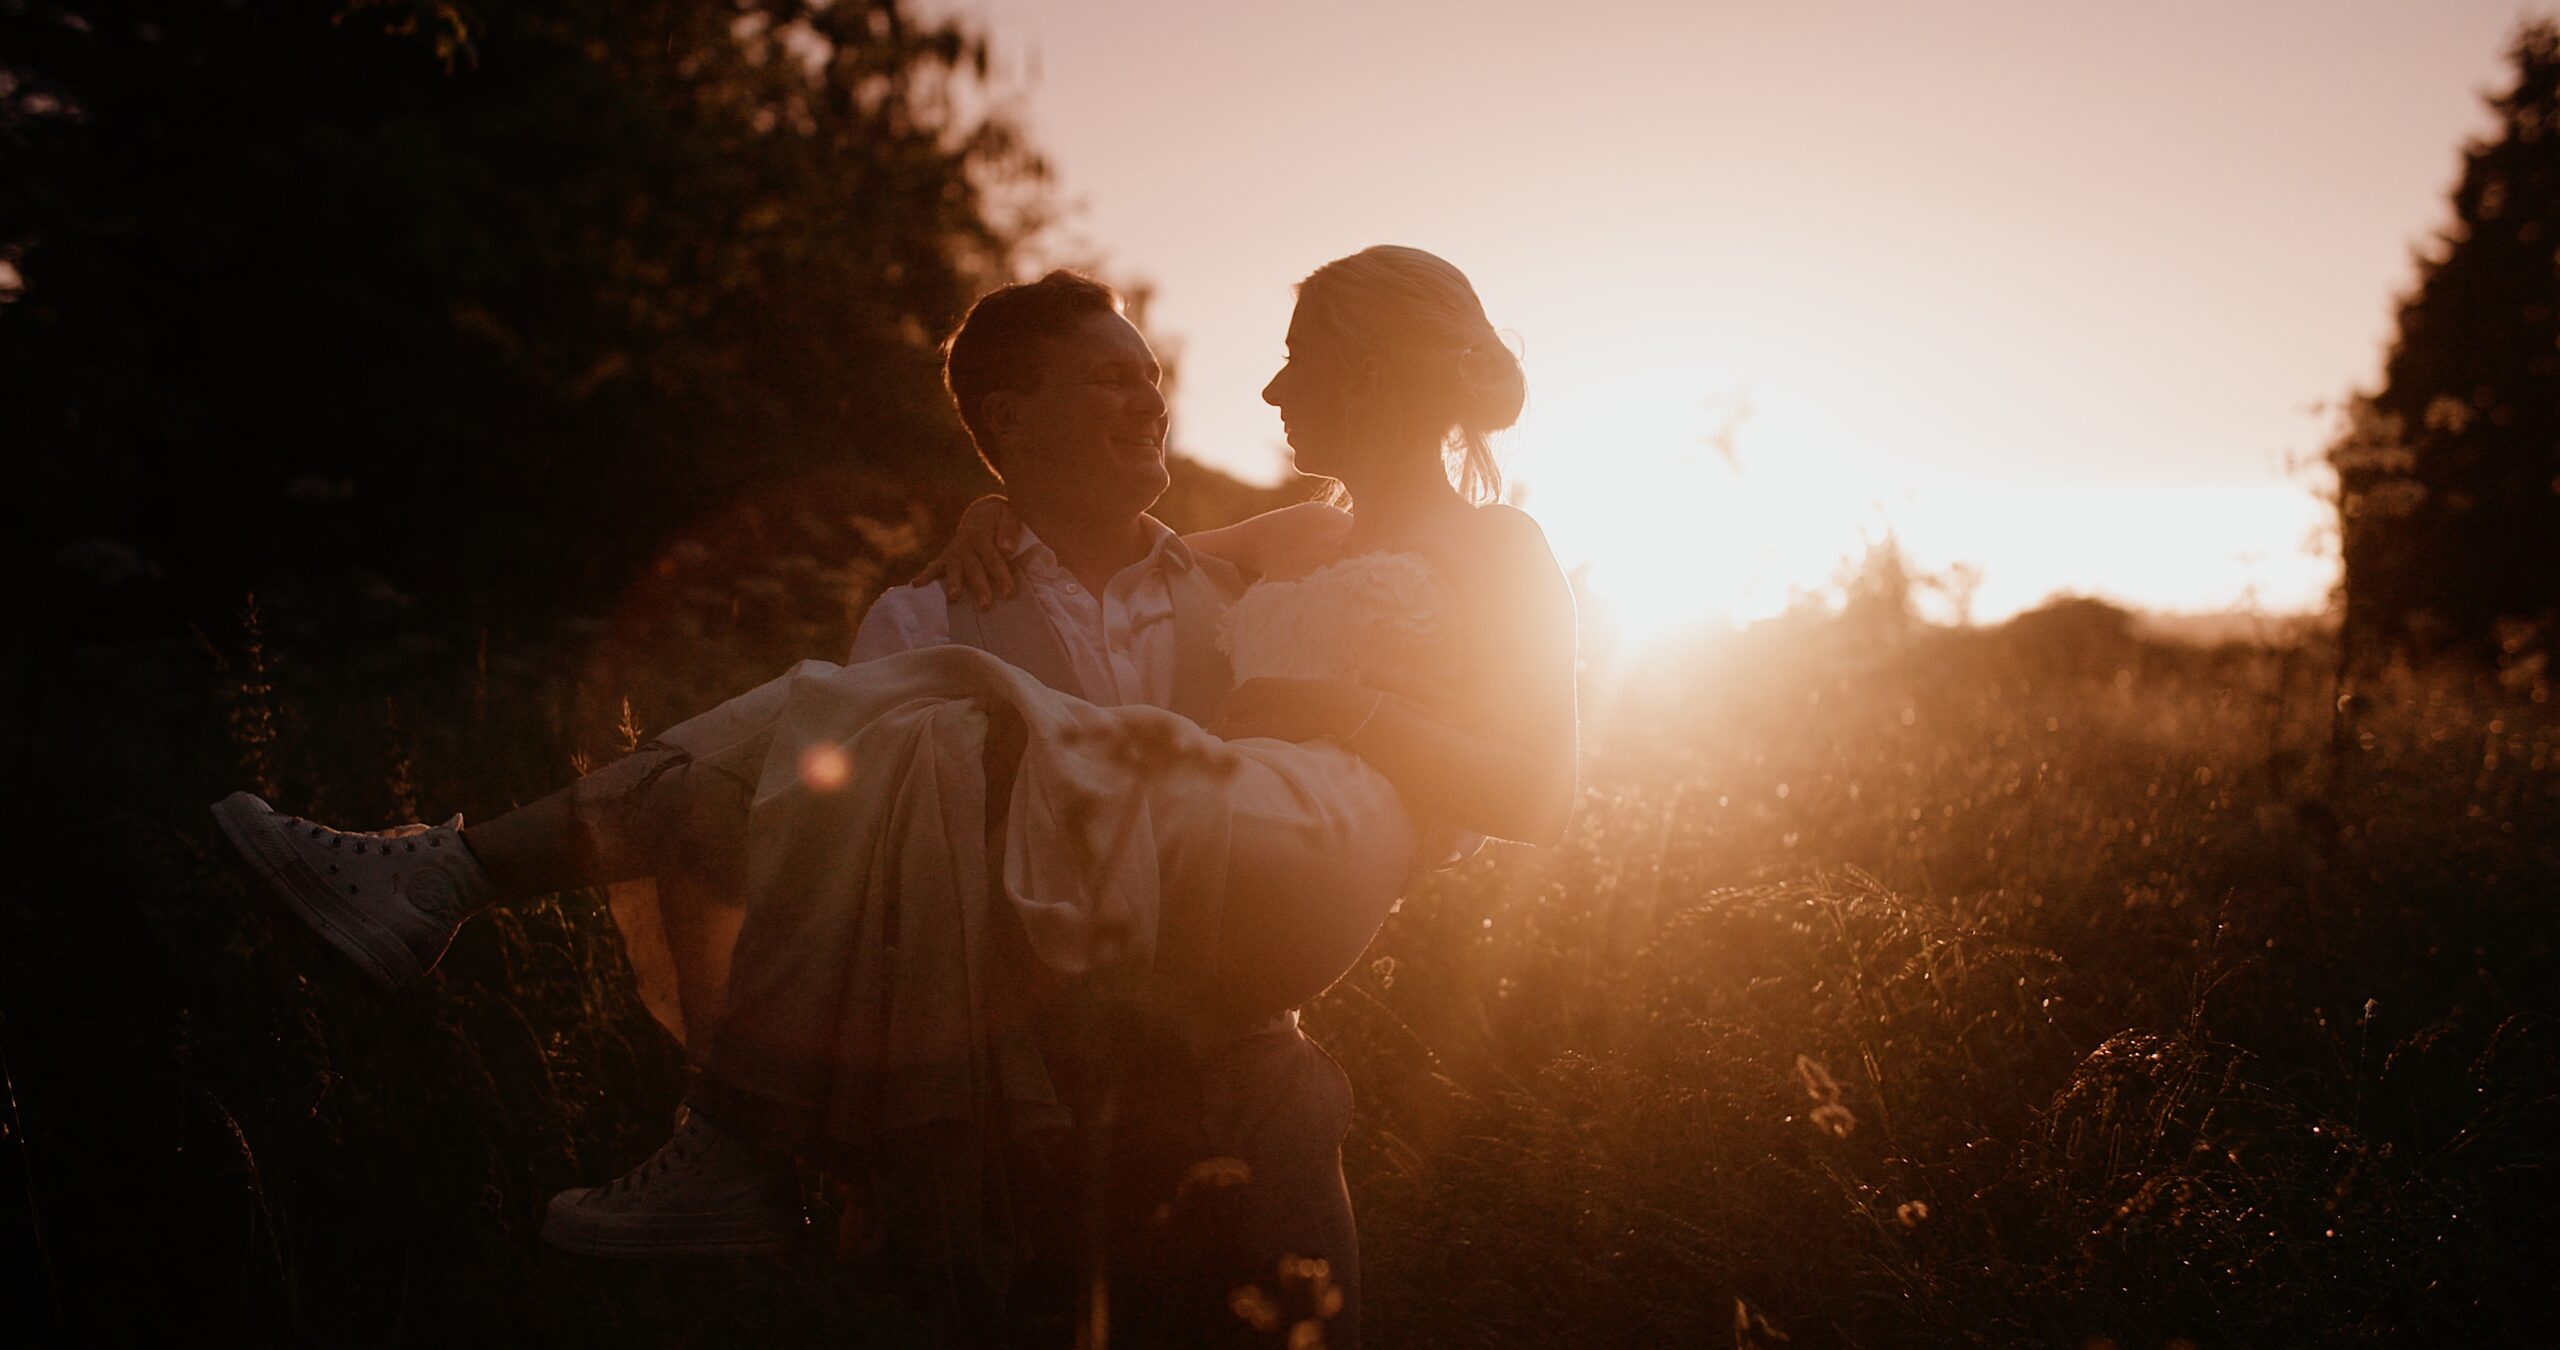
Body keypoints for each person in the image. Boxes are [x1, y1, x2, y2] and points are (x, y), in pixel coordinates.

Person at [212, 246, 1578, 1345]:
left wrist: (1352, 709)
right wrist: (994, 514)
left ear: (1379, 365)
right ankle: (461, 898)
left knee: (919, 704)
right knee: (895, 710)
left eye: (1300, 361)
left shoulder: (1501, 544)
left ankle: (509, 930)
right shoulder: (1299, 539)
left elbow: (1542, 787)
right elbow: (1108, 544)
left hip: (1320, 846)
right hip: (1209, 842)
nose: (1270, 395)